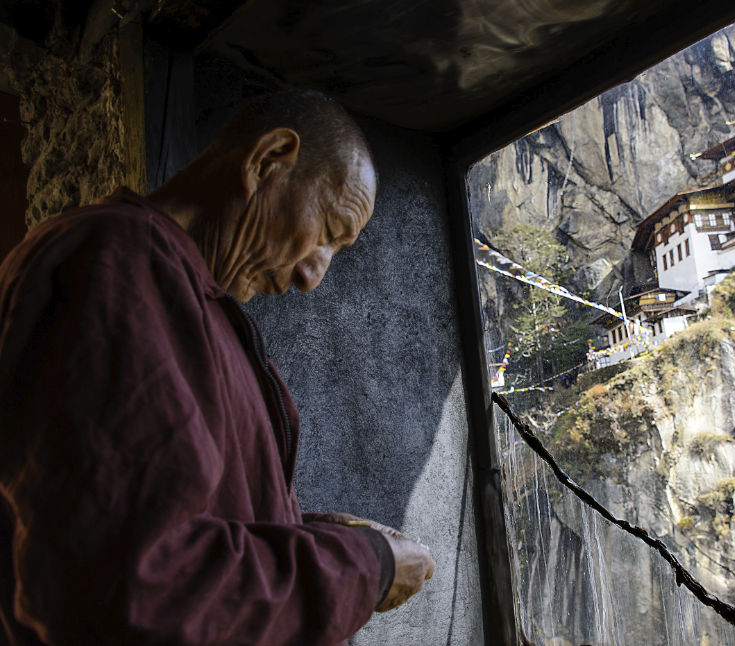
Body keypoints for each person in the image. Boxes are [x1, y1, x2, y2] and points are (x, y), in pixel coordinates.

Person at [0, 91, 434, 645]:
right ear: (267, 160)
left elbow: (175, 520)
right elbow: (134, 589)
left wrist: (305, 534)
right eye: (326, 232)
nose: (311, 276)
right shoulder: (110, 266)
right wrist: (362, 567)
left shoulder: (177, 293)